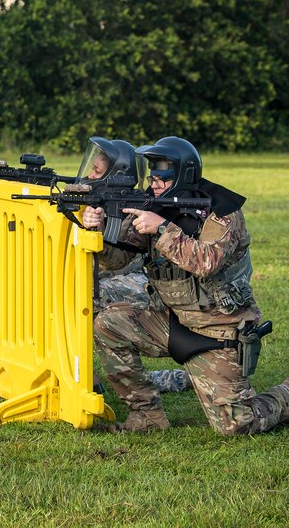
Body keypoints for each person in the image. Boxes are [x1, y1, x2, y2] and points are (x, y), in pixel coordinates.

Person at [83, 136, 289, 434]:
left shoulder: (222, 213)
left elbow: (207, 261)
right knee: (108, 324)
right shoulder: (157, 205)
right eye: (153, 175)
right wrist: (98, 232)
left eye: (163, 176)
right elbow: (119, 259)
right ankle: (146, 415)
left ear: (183, 176)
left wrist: (161, 228)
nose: (155, 182)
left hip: (219, 329)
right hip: (173, 321)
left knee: (235, 425)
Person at [79, 137, 191, 394]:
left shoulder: (144, 206)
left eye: (96, 171)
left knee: (84, 296)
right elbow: (114, 257)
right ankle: (89, 378)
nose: (89, 175)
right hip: (148, 287)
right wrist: (96, 228)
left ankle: (89, 379)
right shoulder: (111, 203)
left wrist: (161, 227)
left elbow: (123, 262)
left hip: (156, 290)